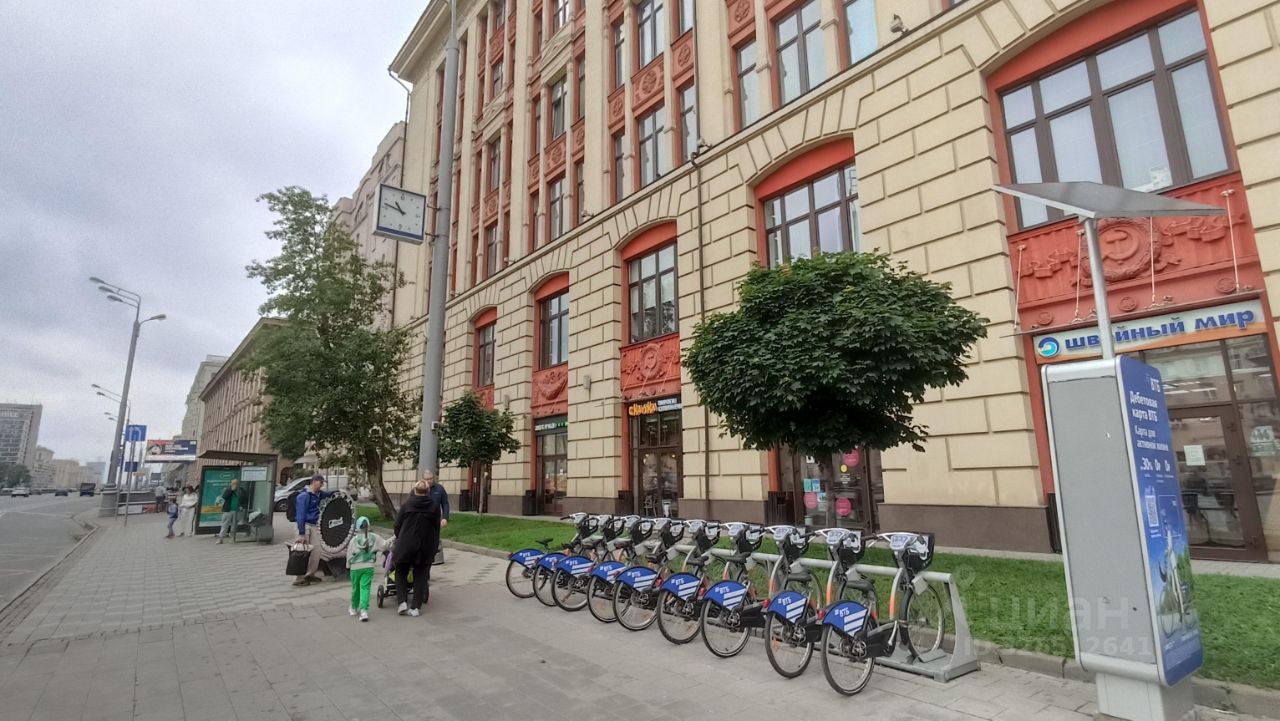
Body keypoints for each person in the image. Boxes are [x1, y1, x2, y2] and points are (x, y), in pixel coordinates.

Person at [392, 478, 440, 616]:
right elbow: (436, 528)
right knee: (421, 575)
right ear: (428, 491)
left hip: (405, 545)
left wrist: (400, 537)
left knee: (401, 572)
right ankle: (415, 608)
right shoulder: (434, 507)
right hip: (425, 547)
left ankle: (402, 601)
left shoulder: (407, 505)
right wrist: (434, 545)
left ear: (414, 490)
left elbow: (397, 525)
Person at [293, 474, 336, 586]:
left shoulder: (318, 494)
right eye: (321, 483)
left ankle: (310, 574)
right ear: (314, 482)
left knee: (316, 550)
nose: (322, 485)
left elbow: (327, 494)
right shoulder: (304, 496)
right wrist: (301, 533)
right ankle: (299, 578)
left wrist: (338, 491)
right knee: (302, 552)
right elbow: (300, 515)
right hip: (305, 525)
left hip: (313, 525)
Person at [346, 516, 389, 622]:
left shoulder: (354, 540)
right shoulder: (374, 537)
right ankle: (364, 611)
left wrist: (348, 566)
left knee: (355, 588)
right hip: (368, 566)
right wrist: (393, 538)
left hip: (355, 568)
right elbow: (385, 545)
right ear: (368, 525)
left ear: (357, 527)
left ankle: (353, 607)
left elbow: (349, 555)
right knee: (365, 589)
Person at [216, 479, 248, 544]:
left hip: (237, 510)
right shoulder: (228, 489)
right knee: (224, 524)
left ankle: (232, 538)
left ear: (238, 484)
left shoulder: (242, 490)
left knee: (234, 525)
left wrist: (242, 506)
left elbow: (245, 500)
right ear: (231, 484)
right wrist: (231, 490)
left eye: (236, 483)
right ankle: (221, 538)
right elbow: (224, 497)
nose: (234, 485)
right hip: (228, 510)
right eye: (233, 483)